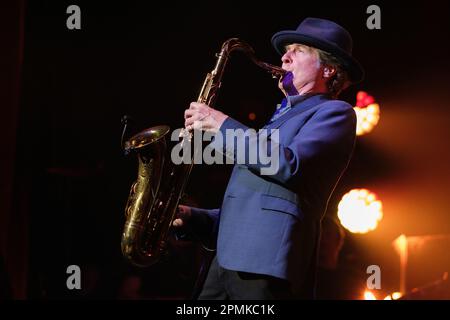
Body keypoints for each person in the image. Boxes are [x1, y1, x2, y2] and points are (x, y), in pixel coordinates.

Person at [173, 17, 363, 299]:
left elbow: (289, 165)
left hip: (265, 266)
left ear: (329, 68)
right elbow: (253, 208)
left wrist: (223, 125)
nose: (284, 58)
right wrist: (193, 218)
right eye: (286, 51)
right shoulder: (278, 119)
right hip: (223, 265)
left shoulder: (335, 112)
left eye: (297, 50)